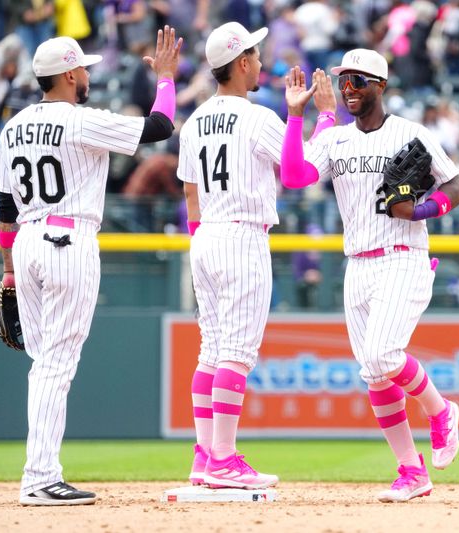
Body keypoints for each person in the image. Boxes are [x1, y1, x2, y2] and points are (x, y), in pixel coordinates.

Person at [0, 28, 182, 505]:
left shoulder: (13, 127)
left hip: (28, 242)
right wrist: (165, 80)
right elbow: (159, 127)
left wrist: (9, 271)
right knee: (57, 363)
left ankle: (39, 471)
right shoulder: (80, 120)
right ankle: (39, 478)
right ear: (70, 73)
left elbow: (4, 209)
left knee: (45, 364)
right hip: (68, 239)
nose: (88, 76)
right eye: (84, 69)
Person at [280, 48, 459, 502]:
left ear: (381, 86)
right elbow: (294, 176)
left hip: (403, 254)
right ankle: (411, 472)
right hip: (357, 265)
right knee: (375, 375)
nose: (349, 89)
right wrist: (294, 117)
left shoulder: (410, 132)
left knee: (384, 355)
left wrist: (421, 209)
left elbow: (457, 186)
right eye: (345, 81)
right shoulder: (336, 139)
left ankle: (441, 412)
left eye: (359, 81)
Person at [178, 22, 337, 490]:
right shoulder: (259, 117)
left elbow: (190, 192)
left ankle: (205, 457)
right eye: (256, 53)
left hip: (205, 236)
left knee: (210, 351)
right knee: (237, 353)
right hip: (242, 236)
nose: (262, 61)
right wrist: (319, 119)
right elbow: (299, 174)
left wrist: (199, 245)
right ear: (241, 63)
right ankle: (224, 459)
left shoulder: (194, 122)